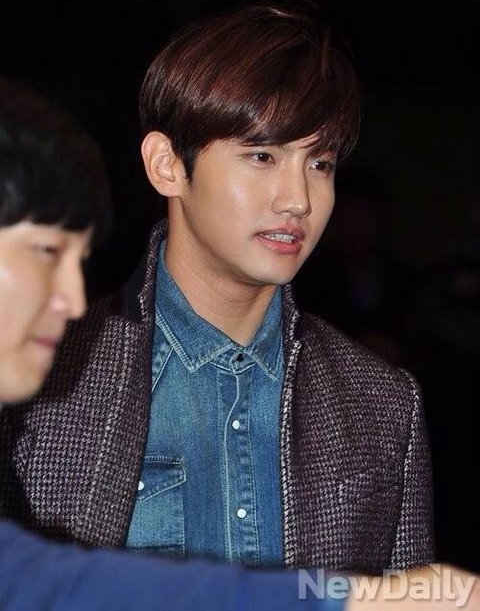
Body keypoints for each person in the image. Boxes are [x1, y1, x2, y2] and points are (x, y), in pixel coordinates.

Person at [0, 44, 477, 611]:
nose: (298, 200)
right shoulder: (36, 381)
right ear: (166, 164)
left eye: (320, 164)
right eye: (262, 156)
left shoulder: (382, 404)